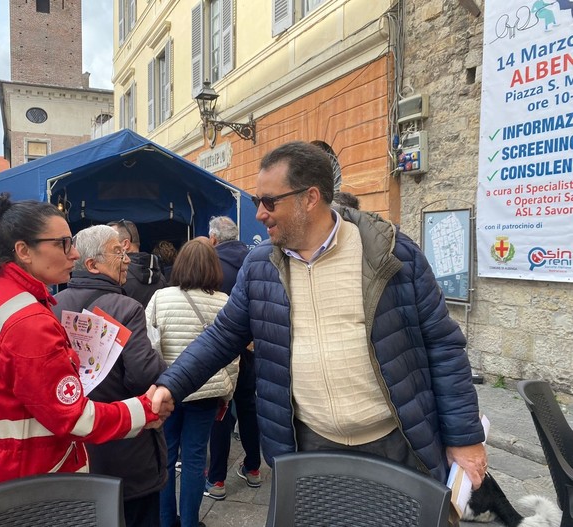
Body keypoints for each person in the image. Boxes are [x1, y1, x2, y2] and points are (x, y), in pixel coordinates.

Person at [151, 141, 488, 497]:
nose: (260, 214)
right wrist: (171, 384)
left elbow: (443, 345)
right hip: (307, 445)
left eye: (268, 201)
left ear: (310, 198)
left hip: (396, 442)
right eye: (255, 202)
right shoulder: (260, 265)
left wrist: (464, 437)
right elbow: (222, 336)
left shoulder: (392, 255)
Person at [0, 194, 168, 509]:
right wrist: (146, 409)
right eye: (63, 244)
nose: (74, 253)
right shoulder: (27, 321)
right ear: (23, 251)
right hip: (9, 484)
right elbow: (75, 418)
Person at [53, 225, 168, 527]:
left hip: (74, 448)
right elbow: (145, 374)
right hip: (126, 447)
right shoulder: (125, 307)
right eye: (117, 252)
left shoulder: (53, 306)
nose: (127, 258)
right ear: (92, 264)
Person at [145, 239, 239, 527]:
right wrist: (228, 391)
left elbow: (150, 346)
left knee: (166, 456)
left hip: (169, 391)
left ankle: (164, 520)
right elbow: (233, 358)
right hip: (207, 392)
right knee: (196, 458)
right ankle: (189, 522)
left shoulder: (161, 298)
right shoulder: (224, 302)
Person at [204, 216, 261, 500]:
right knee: (249, 410)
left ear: (213, 238)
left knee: (221, 414)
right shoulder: (255, 260)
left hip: (224, 350)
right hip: (251, 350)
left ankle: (216, 480)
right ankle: (253, 468)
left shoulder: (212, 266)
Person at [108, 219, 166, 307]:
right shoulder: (161, 277)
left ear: (125, 244)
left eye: (110, 242)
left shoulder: (117, 276)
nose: (104, 247)